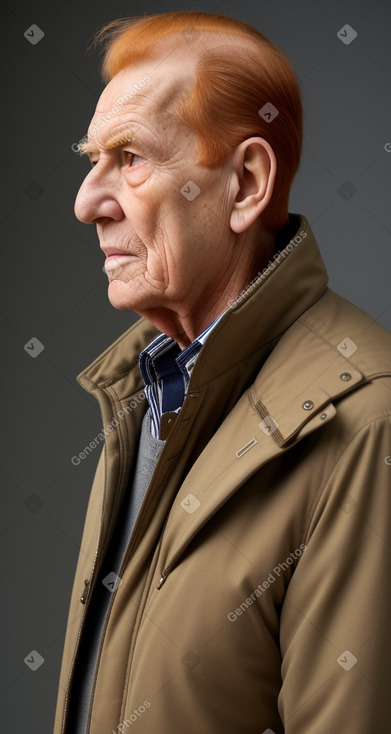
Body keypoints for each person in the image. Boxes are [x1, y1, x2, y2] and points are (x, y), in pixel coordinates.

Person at [53, 11, 391, 734]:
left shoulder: (370, 421)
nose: (86, 203)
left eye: (131, 156)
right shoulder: (141, 393)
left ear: (245, 184)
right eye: (91, 158)